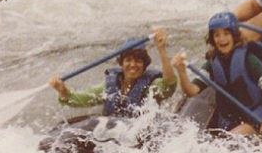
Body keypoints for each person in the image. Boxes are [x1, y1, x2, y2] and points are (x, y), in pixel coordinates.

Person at [171, 12, 262, 135]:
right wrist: (181, 72)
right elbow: (191, 91)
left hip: (255, 113)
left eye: (226, 34)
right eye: (217, 35)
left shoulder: (249, 60)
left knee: (233, 138)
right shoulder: (212, 63)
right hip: (232, 117)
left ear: (234, 36)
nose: (222, 39)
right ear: (212, 39)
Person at [48, 27, 176, 117]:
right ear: (121, 63)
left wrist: (161, 49)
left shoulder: (151, 86)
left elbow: (169, 85)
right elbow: (78, 100)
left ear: (144, 64)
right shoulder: (110, 86)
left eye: (138, 61)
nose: (133, 65)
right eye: (128, 60)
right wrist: (62, 91)